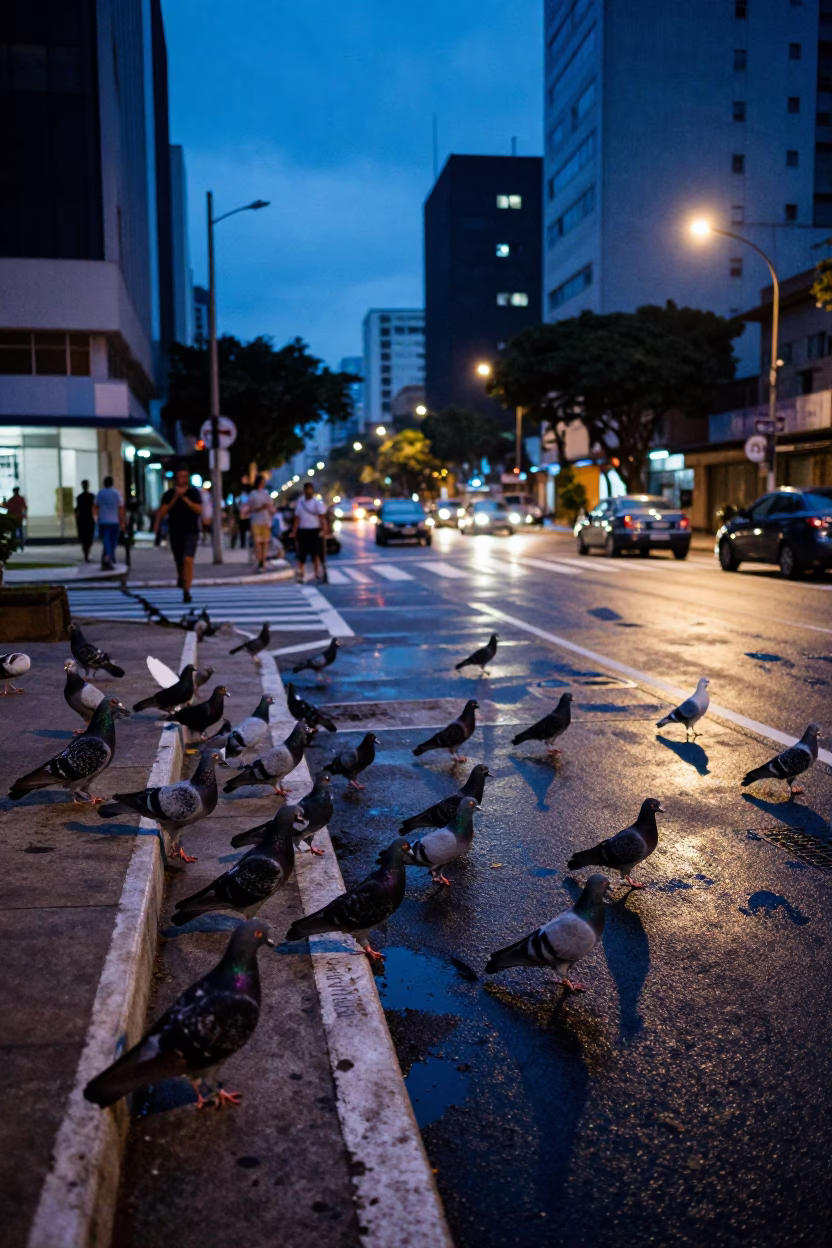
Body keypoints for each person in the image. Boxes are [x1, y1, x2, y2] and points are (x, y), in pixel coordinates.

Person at [154, 466, 204, 603]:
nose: (183, 480)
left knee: (188, 559)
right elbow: (163, 512)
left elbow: (199, 510)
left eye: (185, 477)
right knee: (179, 560)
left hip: (191, 531)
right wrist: (176, 497)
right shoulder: (168, 494)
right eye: (180, 477)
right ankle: (182, 577)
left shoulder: (194, 493)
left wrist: (185, 499)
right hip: (175, 531)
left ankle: (187, 590)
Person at [291, 480, 327, 583]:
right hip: (303, 530)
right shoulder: (300, 502)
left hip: (314, 530)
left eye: (310, 489)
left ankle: (317, 573)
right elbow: (297, 518)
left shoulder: (316, 502)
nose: (308, 491)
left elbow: (322, 517)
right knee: (301, 554)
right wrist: (294, 531)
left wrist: (323, 530)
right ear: (304, 490)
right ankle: (301, 574)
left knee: (315, 554)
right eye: (307, 489)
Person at [93, 476, 125, 570]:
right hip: (114, 521)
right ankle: (109, 557)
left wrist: (96, 517)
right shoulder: (116, 493)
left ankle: (108, 557)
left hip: (103, 520)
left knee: (106, 540)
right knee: (113, 541)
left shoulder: (100, 493)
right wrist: (122, 521)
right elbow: (121, 507)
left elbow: (95, 505)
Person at [246, 474, 276, 572]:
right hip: (256, 521)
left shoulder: (266, 493)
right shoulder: (253, 494)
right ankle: (259, 561)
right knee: (258, 543)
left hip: (266, 521)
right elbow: (250, 508)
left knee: (265, 542)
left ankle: (263, 561)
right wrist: (261, 508)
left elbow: (270, 506)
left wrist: (271, 510)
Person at [74, 480, 96, 561]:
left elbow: (77, 510)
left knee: (85, 537)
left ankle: (86, 552)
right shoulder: (91, 496)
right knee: (88, 537)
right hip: (88, 519)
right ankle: (87, 552)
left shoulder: (80, 497)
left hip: (83, 519)